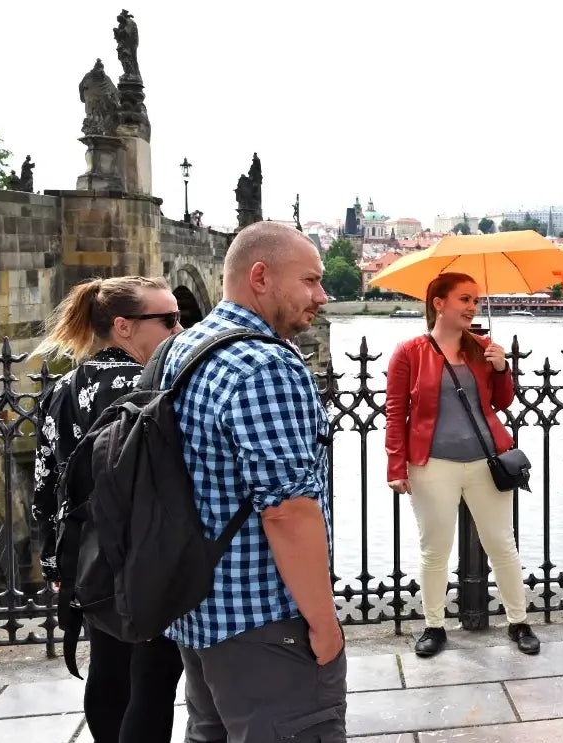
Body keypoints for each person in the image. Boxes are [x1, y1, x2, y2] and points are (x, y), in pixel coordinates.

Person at [160, 222, 346, 742]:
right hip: (265, 620)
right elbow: (287, 510)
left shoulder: (184, 347)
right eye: (309, 281)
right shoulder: (264, 365)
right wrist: (324, 624)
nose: (322, 296)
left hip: (198, 612)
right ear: (260, 276)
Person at [32, 276, 184, 743]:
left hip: (89, 558)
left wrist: (55, 559)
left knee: (109, 669)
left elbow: (46, 480)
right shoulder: (155, 386)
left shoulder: (62, 388)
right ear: (123, 326)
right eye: (168, 320)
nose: (180, 330)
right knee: (154, 679)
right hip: (147, 556)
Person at [385, 272, 540, 658]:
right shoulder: (410, 352)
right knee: (435, 549)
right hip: (432, 463)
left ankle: (518, 622)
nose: (472, 307)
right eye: (464, 300)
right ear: (439, 303)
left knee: (502, 544)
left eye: (475, 301)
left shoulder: (483, 348)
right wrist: (396, 466)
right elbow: (395, 412)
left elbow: (501, 403)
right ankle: (434, 626)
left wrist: (503, 368)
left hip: (486, 461)